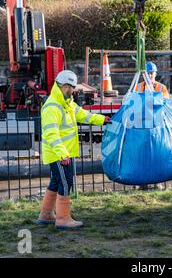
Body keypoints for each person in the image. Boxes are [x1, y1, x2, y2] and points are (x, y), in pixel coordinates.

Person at [34, 70, 110, 230]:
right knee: (65, 182)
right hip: (59, 154)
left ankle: (46, 215)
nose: (72, 90)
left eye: (73, 87)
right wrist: (62, 154)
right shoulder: (52, 107)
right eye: (69, 87)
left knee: (56, 181)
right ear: (60, 86)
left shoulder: (67, 104)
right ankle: (63, 219)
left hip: (62, 153)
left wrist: (103, 119)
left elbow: (84, 116)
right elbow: (51, 134)